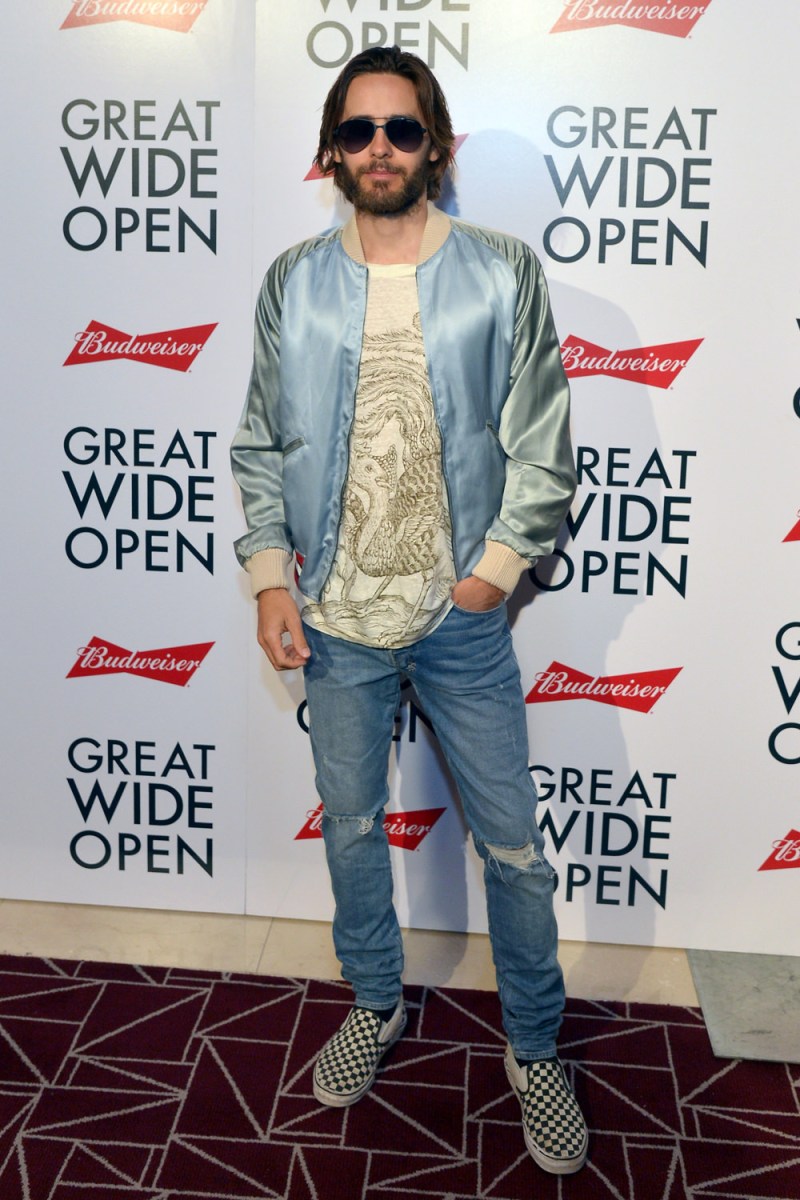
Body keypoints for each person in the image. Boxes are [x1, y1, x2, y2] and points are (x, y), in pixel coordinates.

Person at [231, 45, 587, 1176]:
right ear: (331, 152)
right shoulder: (292, 281)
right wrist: (270, 577)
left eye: (399, 128)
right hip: (333, 619)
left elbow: (543, 443)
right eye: (357, 130)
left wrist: (493, 571)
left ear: (433, 145)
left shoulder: (500, 271)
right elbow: (259, 444)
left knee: (513, 848)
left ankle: (535, 1046)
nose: (378, 148)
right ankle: (375, 1000)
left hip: (461, 619)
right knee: (349, 828)